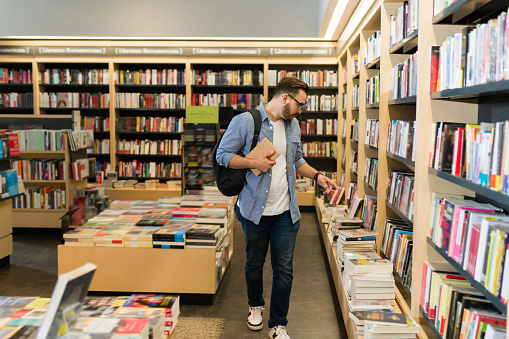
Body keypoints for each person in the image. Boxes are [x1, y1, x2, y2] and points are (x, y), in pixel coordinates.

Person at [216, 77, 338, 339]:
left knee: (284, 269)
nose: (301, 110)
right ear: (284, 98)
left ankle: (278, 323)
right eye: (299, 104)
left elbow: (297, 160)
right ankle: (255, 306)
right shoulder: (247, 121)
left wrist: (316, 175)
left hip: (286, 211)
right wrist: (252, 163)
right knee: (254, 263)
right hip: (254, 211)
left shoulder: (293, 125)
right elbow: (222, 155)